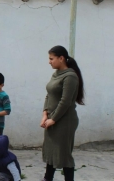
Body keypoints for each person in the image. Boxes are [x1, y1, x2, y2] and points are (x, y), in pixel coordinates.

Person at [40, 45, 84, 181]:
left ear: (61, 58)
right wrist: (45, 114)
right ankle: (48, 178)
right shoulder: (56, 74)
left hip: (65, 122)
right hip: (51, 119)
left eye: (51, 59)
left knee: (63, 155)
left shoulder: (70, 76)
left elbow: (66, 102)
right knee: (51, 151)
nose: (49, 61)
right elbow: (49, 95)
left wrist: (53, 119)